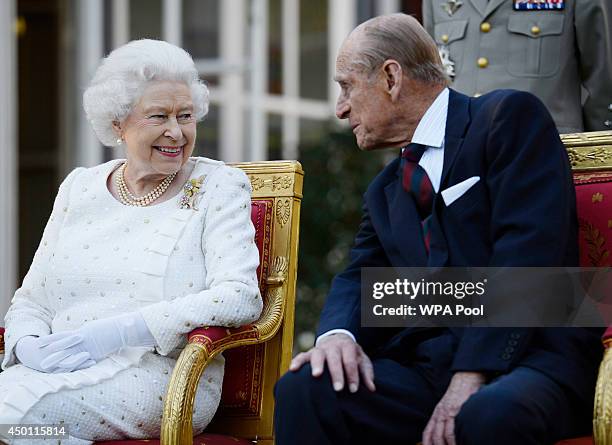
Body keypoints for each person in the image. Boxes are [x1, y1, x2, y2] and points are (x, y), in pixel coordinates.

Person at [274, 13, 602, 445]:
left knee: (488, 413)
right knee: (306, 389)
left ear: (391, 77)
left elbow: (526, 258)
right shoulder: (385, 189)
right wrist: (338, 336)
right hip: (428, 367)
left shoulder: (507, 119)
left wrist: (470, 373)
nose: (340, 109)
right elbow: (360, 278)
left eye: (347, 86)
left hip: (527, 357)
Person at [0, 39, 262, 444]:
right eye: (158, 116)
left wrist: (121, 331)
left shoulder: (218, 186)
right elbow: (32, 300)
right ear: (118, 123)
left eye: (186, 116)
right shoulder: (79, 188)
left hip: (162, 379)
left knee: (16, 420)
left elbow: (239, 295)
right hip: (59, 369)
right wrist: (28, 344)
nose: (176, 132)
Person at [422, 0, 612, 133]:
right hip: (460, 161)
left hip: (544, 157)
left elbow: (604, 81)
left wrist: (598, 153)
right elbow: (430, 79)